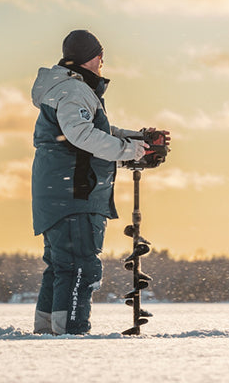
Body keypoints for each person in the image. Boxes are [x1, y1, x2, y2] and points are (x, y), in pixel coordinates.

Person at [30, 29, 152, 335]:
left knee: (61, 267)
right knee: (81, 266)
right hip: (75, 194)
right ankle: (70, 334)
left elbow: (94, 132)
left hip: (60, 194)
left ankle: (48, 331)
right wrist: (127, 150)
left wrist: (137, 139)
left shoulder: (68, 89)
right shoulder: (74, 91)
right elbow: (80, 135)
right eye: (100, 56)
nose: (102, 63)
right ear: (90, 57)